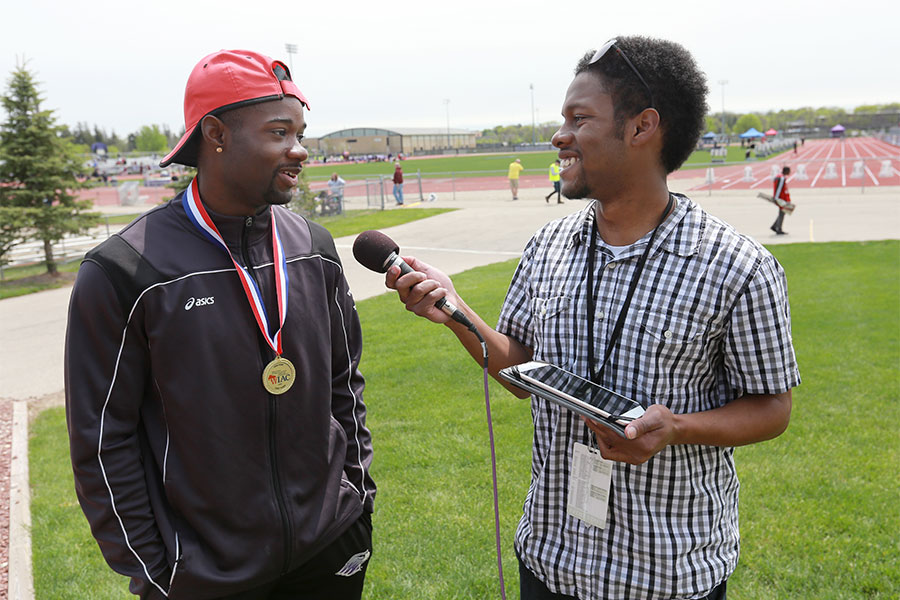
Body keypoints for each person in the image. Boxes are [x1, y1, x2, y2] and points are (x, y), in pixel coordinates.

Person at [385, 36, 797, 600]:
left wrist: (675, 428)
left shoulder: (738, 267)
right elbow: (522, 373)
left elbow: (772, 408)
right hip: (551, 561)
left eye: (579, 118)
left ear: (641, 127)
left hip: (665, 574)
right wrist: (455, 311)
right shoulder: (547, 246)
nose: (560, 136)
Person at [65, 49, 375, 599]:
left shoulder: (312, 247)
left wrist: (357, 500)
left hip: (330, 547)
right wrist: (158, 571)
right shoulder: (125, 270)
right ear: (216, 134)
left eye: (301, 133)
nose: (299, 150)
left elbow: (342, 386)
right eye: (280, 132)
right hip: (203, 575)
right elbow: (101, 442)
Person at [771, 165, 792, 235]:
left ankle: (775, 226)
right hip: (781, 199)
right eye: (789, 171)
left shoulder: (780, 177)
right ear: (786, 171)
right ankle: (778, 229)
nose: (790, 172)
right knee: (782, 213)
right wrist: (776, 198)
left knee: (782, 213)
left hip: (782, 198)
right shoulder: (781, 178)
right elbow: (779, 189)